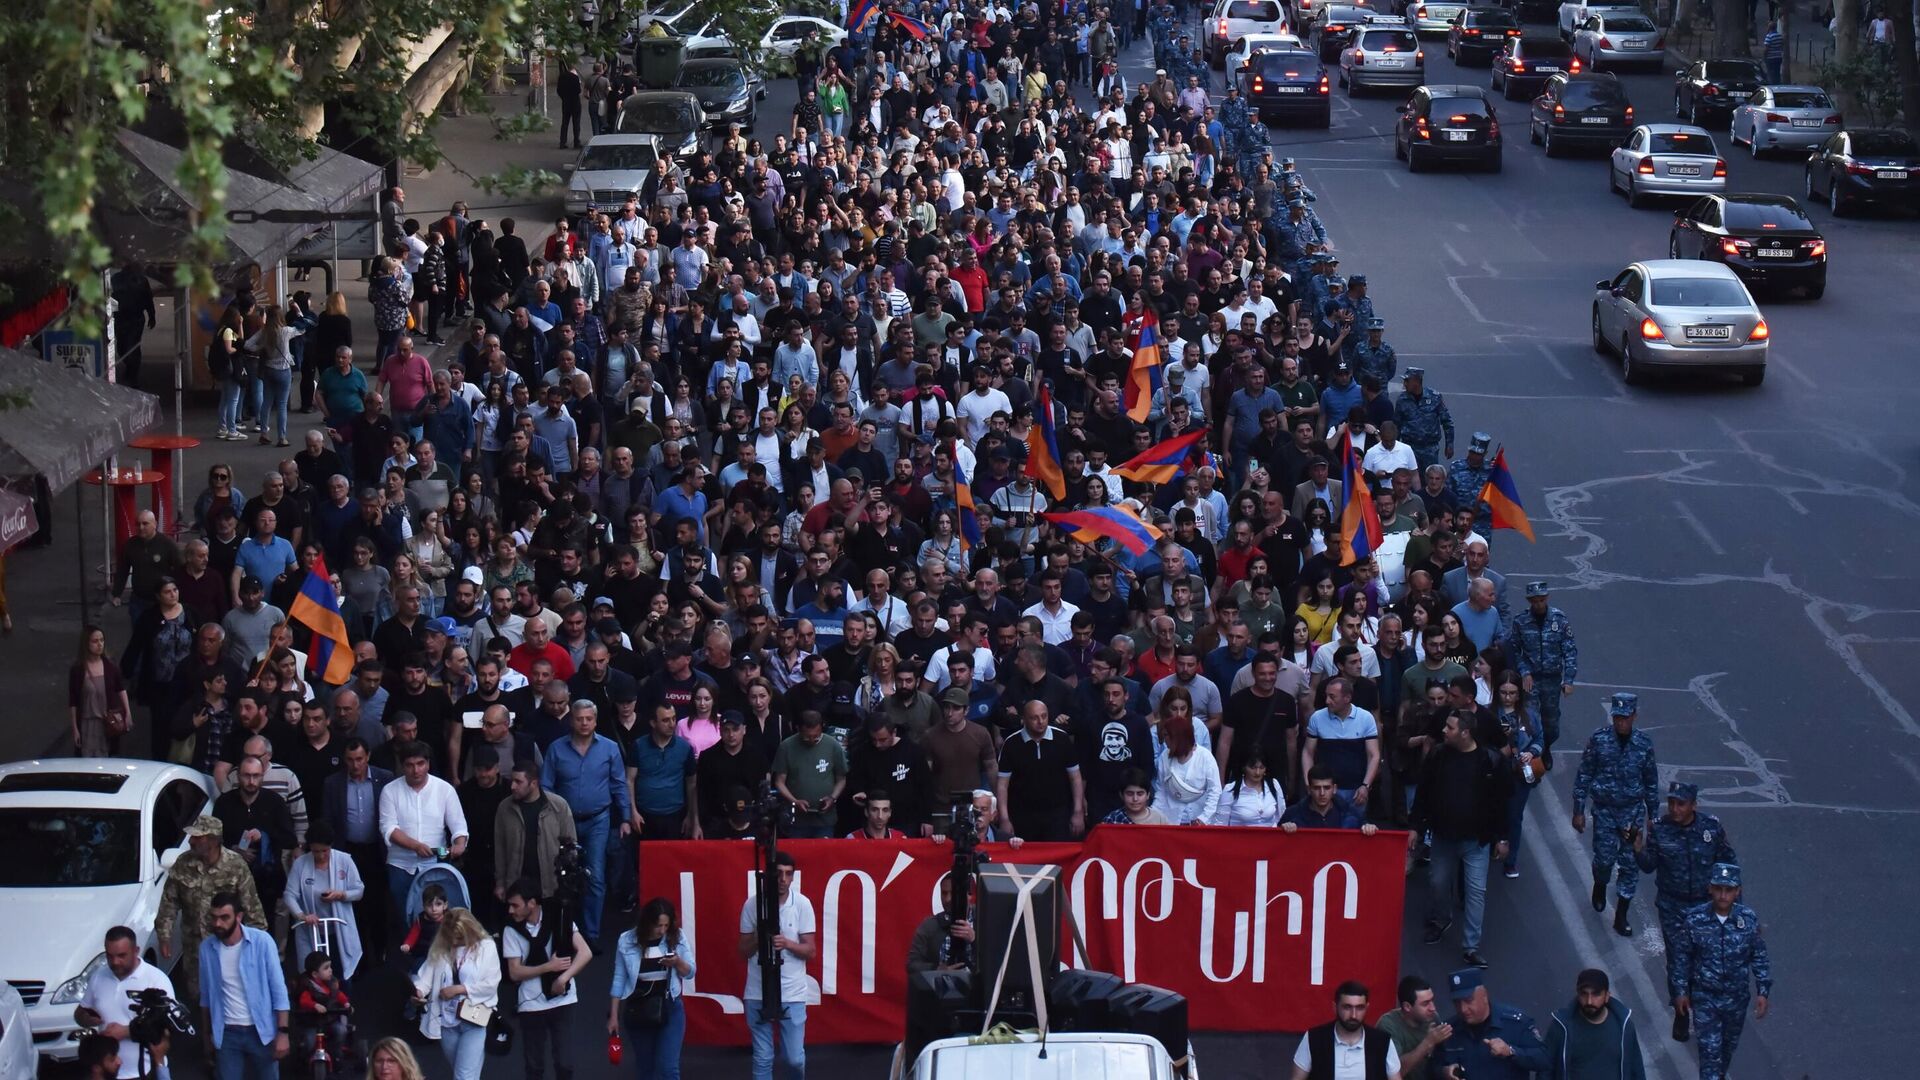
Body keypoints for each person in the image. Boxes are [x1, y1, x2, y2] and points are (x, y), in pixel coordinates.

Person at [1633, 780, 1736, 1041]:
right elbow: (1648, 866)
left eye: (1681, 804)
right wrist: (1637, 849)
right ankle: (1680, 1011)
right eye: (1672, 803)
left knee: (1704, 961)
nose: (1675, 809)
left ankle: (1702, 1007)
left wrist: (1735, 908)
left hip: (1705, 904)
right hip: (1673, 906)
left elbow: (1728, 865)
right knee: (1679, 959)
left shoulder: (1710, 828)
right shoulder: (1659, 829)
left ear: (1693, 805)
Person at [1411, 713, 1507, 968]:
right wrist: (1415, 827)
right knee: (1438, 883)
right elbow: (1424, 792)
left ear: (1465, 732)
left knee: (1476, 893)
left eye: (1449, 727)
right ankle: (1443, 919)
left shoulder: (1490, 761)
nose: (1444, 730)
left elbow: (1501, 804)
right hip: (1443, 838)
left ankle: (1471, 946)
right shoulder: (1438, 756)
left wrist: (1502, 838)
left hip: (1477, 842)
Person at [540, 699, 631, 940]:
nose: (584, 723)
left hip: (597, 820)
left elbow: (619, 784)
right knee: (560, 875)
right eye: (579, 718)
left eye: (588, 719)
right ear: (572, 720)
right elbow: (546, 786)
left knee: (595, 875)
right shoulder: (556, 749)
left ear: (595, 721)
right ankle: (563, 930)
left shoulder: (609, 748)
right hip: (564, 821)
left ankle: (591, 934)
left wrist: (625, 817)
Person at [1672, 864, 1771, 1080]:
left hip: (1736, 999)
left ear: (1737, 891)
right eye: (1718, 889)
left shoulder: (1748, 920)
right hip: (1705, 997)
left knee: (1726, 1050)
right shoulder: (1695, 920)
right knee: (1709, 1053)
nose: (1723, 895)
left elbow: (1759, 956)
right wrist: (1680, 990)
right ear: (1710, 889)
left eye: (1729, 889)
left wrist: (1763, 991)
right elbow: (1681, 958)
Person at [1573, 693, 1659, 937]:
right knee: (1603, 861)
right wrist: (1578, 810)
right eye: (1617, 717)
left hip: (1632, 813)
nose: (1621, 722)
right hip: (1605, 812)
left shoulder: (1644, 744)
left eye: (1625, 717)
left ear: (1634, 716)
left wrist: (1653, 815)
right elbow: (1584, 775)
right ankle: (1600, 884)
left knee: (1630, 866)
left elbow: (1651, 781)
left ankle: (1621, 915)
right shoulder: (1599, 740)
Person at [156, 817, 267, 1007]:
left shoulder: (235, 865)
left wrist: (258, 948)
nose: (191, 841)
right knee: (199, 998)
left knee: (230, 996)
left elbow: (252, 906)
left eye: (198, 838)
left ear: (213, 841)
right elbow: (169, 901)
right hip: (195, 947)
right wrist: (164, 936)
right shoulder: (184, 863)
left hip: (228, 946)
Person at [736, 850, 817, 1080]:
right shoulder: (753, 905)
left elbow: (810, 950)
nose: (783, 880)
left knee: (794, 1058)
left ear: (793, 877)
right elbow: (742, 951)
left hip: (792, 992)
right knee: (762, 1057)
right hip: (757, 990)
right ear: (770, 875)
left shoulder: (802, 904)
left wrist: (788, 944)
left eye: (788, 874)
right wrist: (760, 935)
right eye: (779, 874)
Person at [502, 879, 594, 1080]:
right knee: (534, 1067)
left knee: (565, 1063)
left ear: (532, 903)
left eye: (515, 905)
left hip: (563, 999)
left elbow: (585, 952)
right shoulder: (510, 930)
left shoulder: (559, 918)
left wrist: (564, 978)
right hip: (530, 1004)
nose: (511, 910)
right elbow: (514, 972)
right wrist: (548, 967)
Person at [377, 741, 470, 937]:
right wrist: (415, 845)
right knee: (405, 919)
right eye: (410, 765)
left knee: (437, 919)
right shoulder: (390, 790)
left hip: (434, 866)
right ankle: (409, 960)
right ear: (403, 766)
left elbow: (459, 827)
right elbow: (388, 828)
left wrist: (459, 844)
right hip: (400, 866)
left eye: (420, 764)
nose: (416, 770)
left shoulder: (444, 789)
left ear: (428, 764)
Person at [196, 890, 291, 1080]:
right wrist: (207, 1036)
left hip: (261, 1030)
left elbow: (278, 990)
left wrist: (283, 1033)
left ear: (239, 917)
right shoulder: (207, 948)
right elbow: (206, 996)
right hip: (227, 1033)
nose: (218, 924)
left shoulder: (262, 942)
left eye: (224, 918)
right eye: (214, 918)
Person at [609, 897, 697, 1080]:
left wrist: (677, 962)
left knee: (669, 1067)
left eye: (666, 925)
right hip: (639, 1008)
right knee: (646, 1067)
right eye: (658, 925)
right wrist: (613, 1015)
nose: (662, 930)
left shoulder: (677, 937)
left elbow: (690, 972)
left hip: (669, 1006)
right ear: (647, 922)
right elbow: (619, 978)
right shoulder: (627, 940)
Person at [75, 926, 178, 1080]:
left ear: (136, 950)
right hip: (108, 1074)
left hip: (145, 1072)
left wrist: (126, 1031)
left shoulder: (156, 979)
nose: (115, 962)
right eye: (110, 956)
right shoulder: (98, 977)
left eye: (122, 955)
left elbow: (170, 1026)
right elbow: (79, 1014)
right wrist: (86, 1018)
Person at [409, 908, 501, 1080]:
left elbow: (491, 983)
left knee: (463, 1076)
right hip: (446, 1020)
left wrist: (460, 989)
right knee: (466, 1074)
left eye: (459, 937)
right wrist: (418, 992)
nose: (455, 941)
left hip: (474, 1018)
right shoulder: (440, 948)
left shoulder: (486, 947)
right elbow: (425, 978)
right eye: (451, 936)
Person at [284, 821, 367, 980]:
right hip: (312, 929)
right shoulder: (301, 864)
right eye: (316, 851)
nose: (321, 856)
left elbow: (359, 891)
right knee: (313, 977)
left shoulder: (344, 860)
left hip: (338, 929)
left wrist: (341, 894)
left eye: (325, 851)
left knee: (341, 974)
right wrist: (302, 915)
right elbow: (290, 894)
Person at [1432, 968, 1549, 1080]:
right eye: (1457, 1002)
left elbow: (1544, 1059)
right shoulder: (1448, 1031)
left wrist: (1511, 1051)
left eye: (1468, 1001)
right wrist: (1444, 1072)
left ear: (1484, 995)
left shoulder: (1515, 1023)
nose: (1463, 1009)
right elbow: (1432, 1069)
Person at [1542, 969, 1647, 1080]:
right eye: (1584, 994)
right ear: (1578, 994)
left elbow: (1636, 1069)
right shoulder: (1561, 1027)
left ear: (1607, 996)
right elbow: (1545, 1068)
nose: (1589, 1001)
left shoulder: (1624, 1027)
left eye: (1596, 994)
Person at [1289, 980, 1401, 1080]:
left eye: (1359, 1008)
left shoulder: (1382, 1042)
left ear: (1367, 1008)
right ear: (1335, 1007)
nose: (1353, 1015)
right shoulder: (1314, 1039)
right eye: (1347, 1007)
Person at [1374, 975, 1452, 1080]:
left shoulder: (1432, 1018)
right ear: (1407, 1007)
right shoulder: (1388, 1026)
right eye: (1425, 1004)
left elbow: (1440, 1060)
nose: (1433, 1008)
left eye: (1432, 1000)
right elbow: (1393, 1072)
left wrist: (1446, 1071)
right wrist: (1428, 1043)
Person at [907, 873, 977, 974]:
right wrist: (937, 970)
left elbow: (998, 962)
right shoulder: (929, 926)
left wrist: (974, 940)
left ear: (969, 895)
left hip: (978, 987)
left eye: (953, 893)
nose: (948, 899)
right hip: (942, 987)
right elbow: (912, 964)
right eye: (944, 893)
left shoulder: (984, 920)